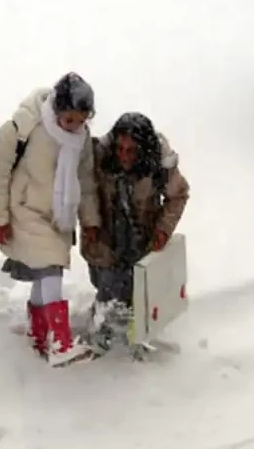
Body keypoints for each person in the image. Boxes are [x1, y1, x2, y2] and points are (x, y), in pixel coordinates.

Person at [0, 71, 99, 365]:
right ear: (57, 110)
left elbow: (85, 181)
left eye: (80, 120)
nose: (73, 126)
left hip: (59, 213)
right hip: (24, 209)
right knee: (50, 266)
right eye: (68, 119)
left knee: (43, 268)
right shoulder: (26, 126)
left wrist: (91, 220)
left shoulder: (82, 141)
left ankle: (39, 332)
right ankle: (60, 343)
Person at [80, 112, 190, 350]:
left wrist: (163, 230)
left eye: (131, 151)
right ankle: (102, 330)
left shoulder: (160, 164)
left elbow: (178, 195)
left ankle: (131, 334)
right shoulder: (99, 155)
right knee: (106, 284)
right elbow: (86, 190)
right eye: (120, 149)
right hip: (105, 236)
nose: (124, 156)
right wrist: (90, 222)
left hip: (142, 236)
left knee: (137, 289)